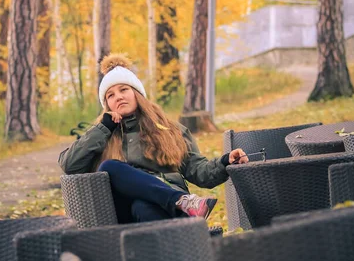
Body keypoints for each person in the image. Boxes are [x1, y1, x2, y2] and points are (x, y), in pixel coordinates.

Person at [58, 54, 249, 223]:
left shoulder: (170, 129)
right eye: (110, 95)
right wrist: (104, 128)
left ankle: (172, 245)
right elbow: (70, 165)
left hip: (162, 212)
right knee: (109, 167)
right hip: (122, 213)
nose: (118, 97)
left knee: (143, 207)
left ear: (137, 93)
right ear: (107, 104)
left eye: (124, 89)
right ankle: (181, 201)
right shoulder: (102, 134)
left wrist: (225, 162)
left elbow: (199, 172)